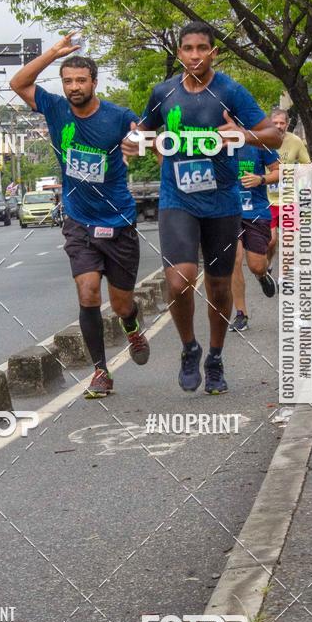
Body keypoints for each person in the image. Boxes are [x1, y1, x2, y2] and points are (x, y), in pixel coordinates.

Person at [122, 21, 281, 394]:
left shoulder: (230, 92)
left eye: (202, 48)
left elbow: (272, 134)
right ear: (179, 53)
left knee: (220, 286)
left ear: (214, 52)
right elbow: (141, 131)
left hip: (222, 202)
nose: (195, 55)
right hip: (177, 198)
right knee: (178, 281)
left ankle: (214, 356)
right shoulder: (164, 93)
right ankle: (189, 348)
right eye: (188, 48)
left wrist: (243, 135)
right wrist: (133, 141)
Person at [10, 33, 150, 399]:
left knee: (120, 303)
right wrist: (53, 52)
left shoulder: (117, 116)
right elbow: (18, 83)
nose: (74, 87)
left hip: (118, 221)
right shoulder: (55, 108)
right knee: (88, 293)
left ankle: (132, 325)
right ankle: (101, 372)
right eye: (68, 81)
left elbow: (145, 138)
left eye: (80, 81)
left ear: (94, 83)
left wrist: (137, 144)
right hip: (78, 219)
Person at [229, 144, 280, 332]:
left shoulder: (258, 141)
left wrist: (261, 179)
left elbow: (278, 170)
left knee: (256, 265)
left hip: (256, 211)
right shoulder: (215, 139)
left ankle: (262, 275)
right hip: (228, 212)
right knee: (234, 259)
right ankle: (241, 314)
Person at [266, 107, 311, 271]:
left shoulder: (295, 141)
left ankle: (284, 277)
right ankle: (269, 263)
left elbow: (308, 165)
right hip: (267, 200)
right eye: (275, 122)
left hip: (289, 198)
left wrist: (295, 173)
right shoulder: (263, 142)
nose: (278, 126)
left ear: (287, 124)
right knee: (271, 241)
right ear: (270, 123)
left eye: (282, 123)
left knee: (289, 241)